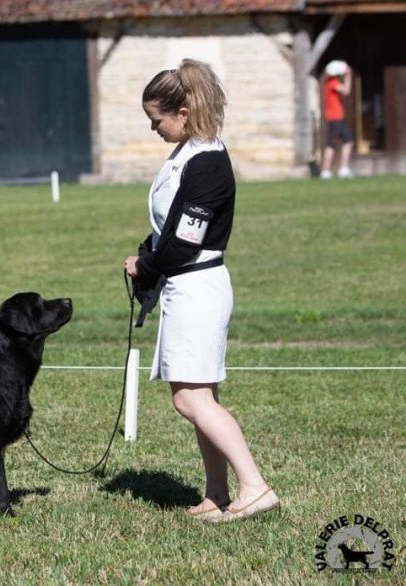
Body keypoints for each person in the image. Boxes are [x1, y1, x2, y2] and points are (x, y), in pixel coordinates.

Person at [123, 59, 279, 522]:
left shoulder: (207, 162)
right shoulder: (190, 153)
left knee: (190, 399)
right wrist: (149, 256)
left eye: (158, 121)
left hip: (198, 286)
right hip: (184, 286)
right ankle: (217, 493)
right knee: (200, 395)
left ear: (184, 113)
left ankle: (255, 486)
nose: (155, 129)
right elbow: (171, 228)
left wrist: (145, 265)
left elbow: (185, 241)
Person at [320, 60, 354, 179]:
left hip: (336, 118)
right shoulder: (332, 82)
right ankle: (330, 170)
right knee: (333, 144)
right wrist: (348, 76)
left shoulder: (328, 82)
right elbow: (346, 91)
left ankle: (334, 170)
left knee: (346, 141)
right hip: (336, 118)